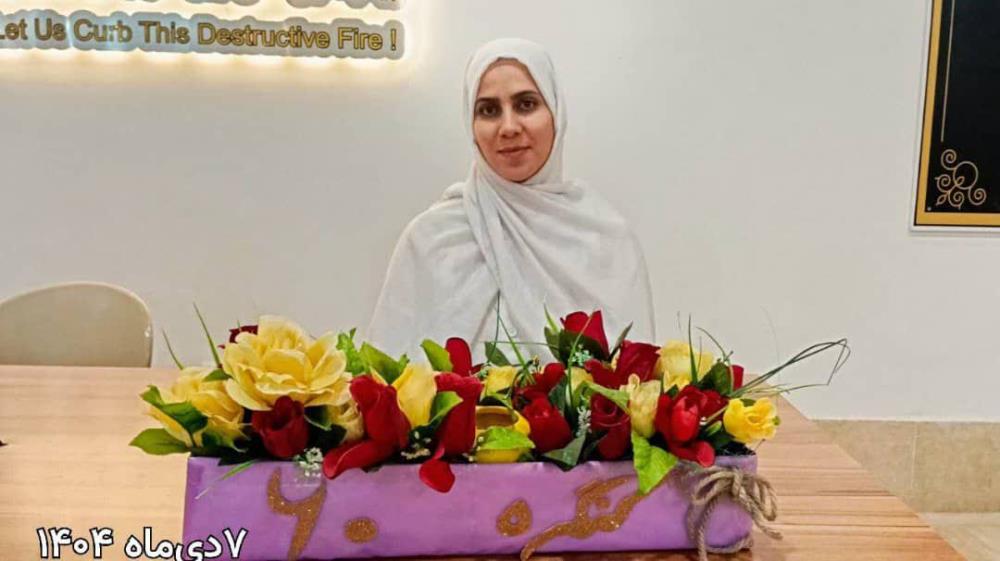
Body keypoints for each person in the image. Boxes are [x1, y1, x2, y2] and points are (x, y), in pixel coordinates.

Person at [367, 38, 655, 361]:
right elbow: (386, 374)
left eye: (526, 104)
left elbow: (637, 378)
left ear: (555, 113)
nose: (508, 127)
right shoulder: (431, 240)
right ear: (471, 125)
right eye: (489, 110)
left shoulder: (604, 239)